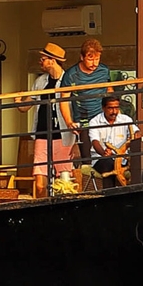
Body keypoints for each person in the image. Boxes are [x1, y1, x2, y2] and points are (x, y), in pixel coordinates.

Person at [27, 42, 73, 197]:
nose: (40, 62)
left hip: (62, 135)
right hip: (42, 133)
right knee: (40, 183)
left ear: (52, 61)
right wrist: (19, 102)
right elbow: (26, 105)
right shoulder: (40, 81)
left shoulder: (68, 80)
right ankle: (43, 205)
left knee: (64, 181)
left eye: (43, 59)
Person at [60, 38, 110, 163]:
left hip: (104, 119)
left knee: (108, 157)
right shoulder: (71, 74)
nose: (94, 63)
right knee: (87, 160)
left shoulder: (104, 71)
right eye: (90, 59)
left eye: (97, 59)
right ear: (82, 57)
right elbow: (64, 99)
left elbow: (109, 91)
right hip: (83, 122)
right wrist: (69, 122)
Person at [86, 93, 139, 188]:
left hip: (123, 160)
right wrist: (103, 153)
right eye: (110, 108)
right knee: (109, 165)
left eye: (116, 108)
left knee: (141, 163)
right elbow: (95, 141)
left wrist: (136, 135)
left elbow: (136, 132)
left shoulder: (126, 119)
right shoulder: (95, 121)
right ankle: (109, 194)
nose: (114, 112)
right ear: (103, 108)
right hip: (101, 159)